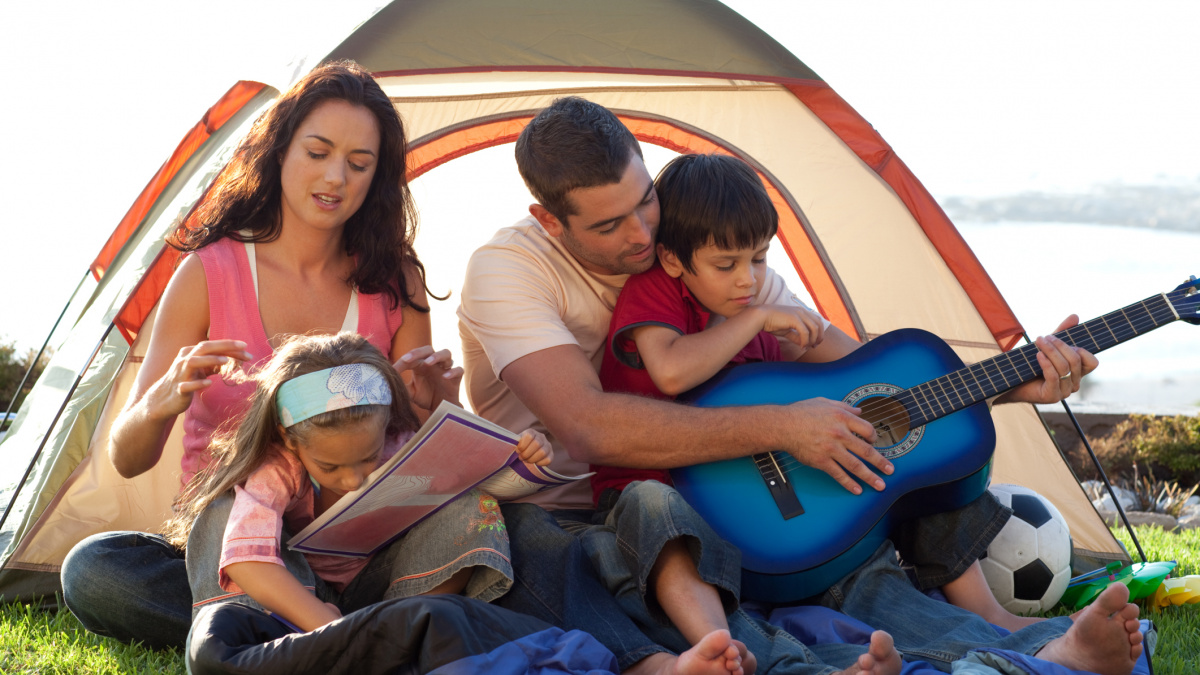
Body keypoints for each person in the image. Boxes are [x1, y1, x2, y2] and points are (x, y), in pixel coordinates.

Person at [457, 96, 1144, 675]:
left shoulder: (720, 261)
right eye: (610, 225)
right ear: (550, 220)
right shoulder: (510, 270)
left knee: (860, 560)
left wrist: (1009, 383)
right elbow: (588, 427)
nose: (641, 234)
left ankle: (1042, 651)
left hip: (747, 491)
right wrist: (785, 425)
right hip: (591, 514)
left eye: (645, 203)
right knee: (634, 567)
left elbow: (870, 378)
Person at [60, 60, 459, 649]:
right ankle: (366, 631)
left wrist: (436, 408)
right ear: (280, 151)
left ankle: (282, 630)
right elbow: (128, 459)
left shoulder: (394, 281)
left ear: (378, 176)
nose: (335, 178)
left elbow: (416, 457)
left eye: (359, 164)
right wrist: (159, 403)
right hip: (231, 543)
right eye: (317, 152)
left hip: (360, 550)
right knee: (95, 569)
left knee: (504, 526)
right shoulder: (208, 272)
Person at [162, 332, 550, 632]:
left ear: (387, 425)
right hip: (300, 602)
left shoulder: (398, 443)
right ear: (288, 439)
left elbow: (471, 482)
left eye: (368, 457)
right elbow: (247, 562)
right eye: (329, 466)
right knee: (219, 516)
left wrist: (525, 455)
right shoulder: (279, 468)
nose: (352, 479)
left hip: (388, 595)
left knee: (468, 504)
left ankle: (405, 633)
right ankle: (295, 644)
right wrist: (329, 628)